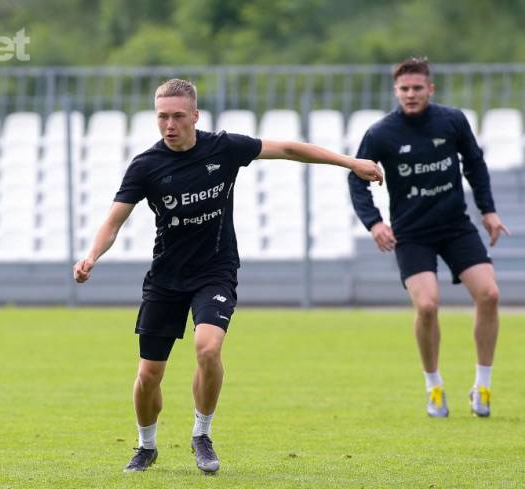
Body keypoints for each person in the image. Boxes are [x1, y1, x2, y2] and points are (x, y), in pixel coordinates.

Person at [73, 78, 382, 474]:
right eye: (162, 117)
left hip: (215, 271)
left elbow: (289, 149)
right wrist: (91, 256)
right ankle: (146, 445)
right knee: (149, 375)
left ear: (195, 116)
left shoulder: (224, 148)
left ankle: (202, 435)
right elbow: (114, 221)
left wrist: (351, 163)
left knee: (208, 348)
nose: (169, 124)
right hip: (166, 278)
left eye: (178, 116)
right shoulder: (146, 166)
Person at [348, 58, 509, 418]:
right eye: (404, 89)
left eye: (417, 88)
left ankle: (482, 386)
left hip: (455, 226)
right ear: (396, 91)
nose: (410, 94)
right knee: (427, 306)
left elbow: (475, 163)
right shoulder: (380, 133)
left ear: (430, 89)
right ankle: (434, 386)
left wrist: (488, 211)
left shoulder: (452, 121)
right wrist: (374, 223)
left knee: (490, 294)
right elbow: (356, 179)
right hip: (412, 233)